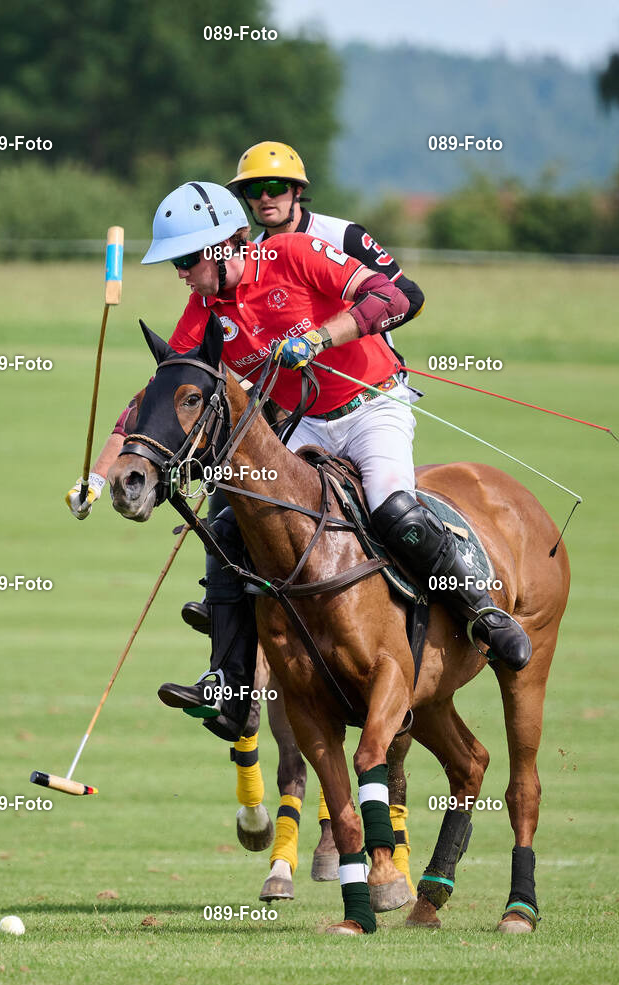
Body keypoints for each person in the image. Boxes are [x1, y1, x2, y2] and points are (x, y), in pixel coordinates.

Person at [134, 181, 532, 741]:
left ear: (225, 247)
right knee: (229, 528)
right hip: (307, 421)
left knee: (395, 510)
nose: (180, 272)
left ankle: (482, 612)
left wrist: (322, 337)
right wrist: (111, 469)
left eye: (185, 258)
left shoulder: (292, 253)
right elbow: (169, 383)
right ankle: (231, 685)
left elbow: (393, 297)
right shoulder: (205, 306)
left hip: (371, 404)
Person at [180, 141, 424, 635]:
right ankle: (231, 666)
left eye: (274, 187)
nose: (264, 198)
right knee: (234, 513)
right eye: (253, 191)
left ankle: (471, 609)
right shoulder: (232, 273)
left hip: (367, 390)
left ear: (296, 191)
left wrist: (324, 337)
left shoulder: (335, 235)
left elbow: (405, 296)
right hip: (298, 411)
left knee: (393, 510)